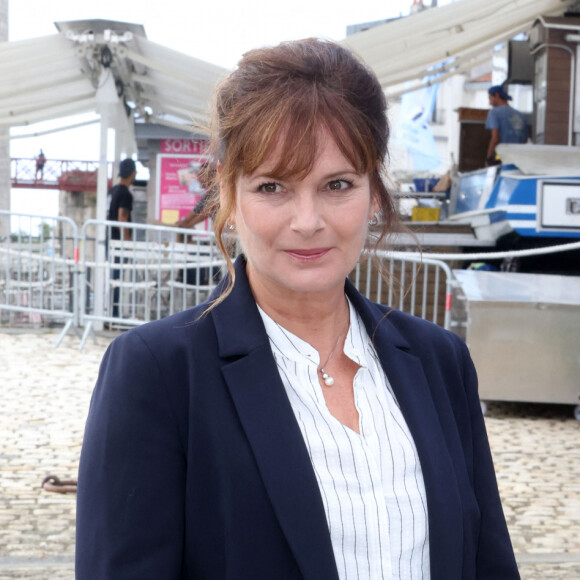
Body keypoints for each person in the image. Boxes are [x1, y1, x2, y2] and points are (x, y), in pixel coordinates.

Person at [76, 39, 520, 579]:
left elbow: (488, 562)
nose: (307, 221)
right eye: (272, 186)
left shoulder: (439, 361)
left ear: (375, 191)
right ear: (229, 195)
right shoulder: (158, 372)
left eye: (337, 184)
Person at [106, 158, 137, 319]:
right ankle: (115, 313)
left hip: (108, 239)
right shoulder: (125, 194)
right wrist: (128, 244)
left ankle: (110, 311)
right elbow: (122, 219)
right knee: (117, 279)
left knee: (111, 278)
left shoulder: (112, 191)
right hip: (118, 243)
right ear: (132, 173)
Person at [485, 84, 529, 166]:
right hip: (518, 158)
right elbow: (525, 140)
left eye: (490, 97)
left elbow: (495, 138)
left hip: (501, 157)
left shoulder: (494, 113)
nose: (489, 102)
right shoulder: (521, 116)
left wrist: (489, 159)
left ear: (496, 95)